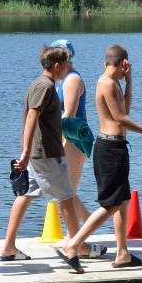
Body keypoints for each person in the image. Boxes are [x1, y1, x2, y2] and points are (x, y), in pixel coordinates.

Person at [55, 43, 142, 273]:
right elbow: (120, 120)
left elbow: (125, 110)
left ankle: (122, 253)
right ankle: (74, 244)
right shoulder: (106, 83)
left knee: (123, 201)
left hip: (117, 147)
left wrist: (130, 81)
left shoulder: (113, 82)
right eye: (128, 66)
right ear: (124, 63)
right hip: (110, 149)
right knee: (111, 205)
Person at [0, 46, 92, 262]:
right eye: (66, 65)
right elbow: (32, 116)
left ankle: (8, 247)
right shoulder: (47, 87)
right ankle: (77, 246)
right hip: (46, 153)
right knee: (67, 197)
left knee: (26, 195)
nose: (68, 69)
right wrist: (25, 151)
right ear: (57, 66)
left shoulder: (39, 84)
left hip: (37, 152)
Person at [51, 39, 98, 253]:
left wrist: (56, 136)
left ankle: (78, 233)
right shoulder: (62, 79)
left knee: (67, 190)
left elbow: (68, 114)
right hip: (68, 136)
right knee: (66, 190)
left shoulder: (71, 80)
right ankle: (84, 225)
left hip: (75, 138)